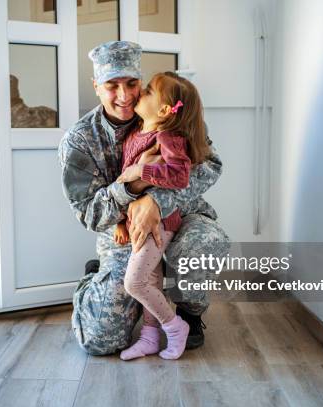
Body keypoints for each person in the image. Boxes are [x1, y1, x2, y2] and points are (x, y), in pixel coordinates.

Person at [58, 41, 230, 356]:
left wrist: (157, 201)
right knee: (100, 341)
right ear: (97, 86)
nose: (124, 96)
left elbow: (210, 165)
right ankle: (97, 279)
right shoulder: (80, 140)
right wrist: (132, 188)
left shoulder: (167, 112)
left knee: (203, 244)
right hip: (122, 227)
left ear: (142, 82)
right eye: (112, 85)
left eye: (132, 84)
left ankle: (189, 315)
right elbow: (89, 214)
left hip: (183, 212)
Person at [114, 71, 211, 360]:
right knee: (151, 281)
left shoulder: (167, 137)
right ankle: (149, 336)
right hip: (135, 223)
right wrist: (121, 221)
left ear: (165, 110)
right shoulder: (136, 133)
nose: (140, 92)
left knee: (136, 282)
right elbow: (123, 186)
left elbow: (180, 175)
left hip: (160, 224)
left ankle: (174, 326)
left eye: (148, 91)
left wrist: (141, 171)